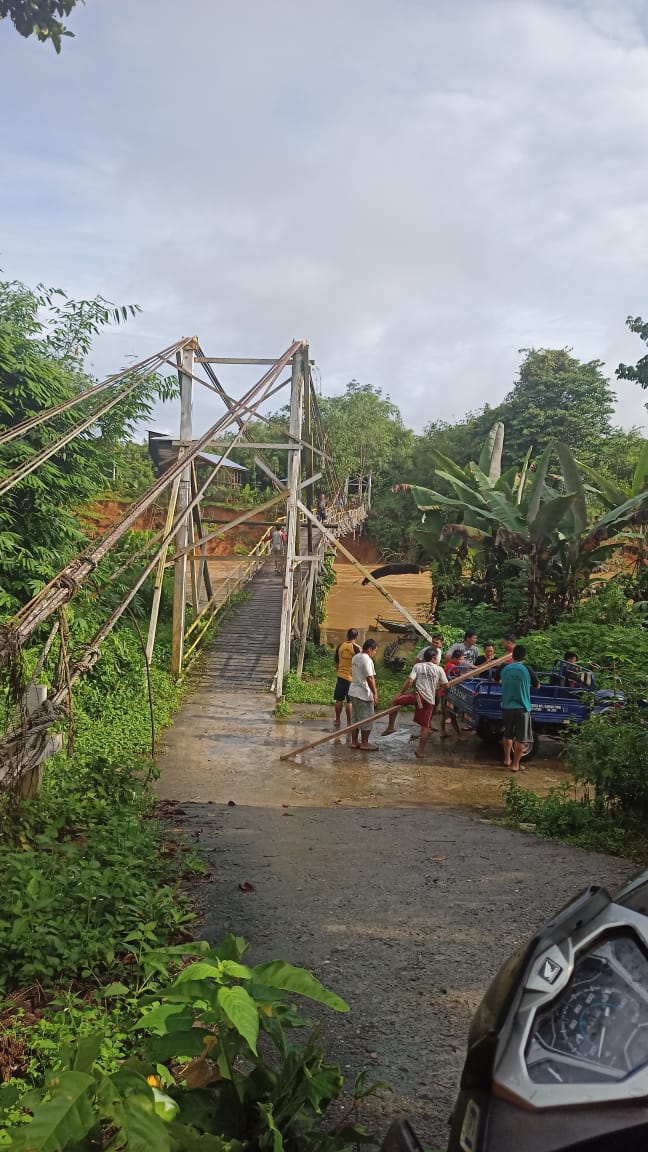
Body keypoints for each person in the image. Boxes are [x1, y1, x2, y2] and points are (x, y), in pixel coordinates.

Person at [381, 648, 448, 758]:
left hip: (416, 697)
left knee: (394, 702)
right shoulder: (439, 669)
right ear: (433, 658)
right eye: (436, 657)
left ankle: (390, 726)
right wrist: (436, 687)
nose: (437, 658)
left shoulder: (418, 666)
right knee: (425, 727)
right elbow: (446, 685)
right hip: (429, 700)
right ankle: (420, 751)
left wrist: (400, 693)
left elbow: (410, 681)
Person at [500, 644, 540, 773]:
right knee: (521, 737)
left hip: (507, 706)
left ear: (512, 655)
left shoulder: (504, 668)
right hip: (522, 707)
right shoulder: (527, 669)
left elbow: (495, 680)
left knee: (508, 734)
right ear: (524, 656)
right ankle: (515, 765)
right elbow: (537, 686)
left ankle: (507, 760)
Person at [348, 638, 379, 751]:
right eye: (375, 651)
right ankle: (365, 743)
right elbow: (370, 678)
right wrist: (375, 694)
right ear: (370, 649)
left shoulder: (356, 657)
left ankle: (354, 742)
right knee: (366, 719)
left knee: (355, 719)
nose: (375, 653)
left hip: (353, 691)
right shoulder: (366, 659)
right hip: (363, 693)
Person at [333, 628, 361, 734]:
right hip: (351, 678)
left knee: (339, 700)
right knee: (349, 701)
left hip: (340, 676)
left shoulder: (340, 646)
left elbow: (337, 661)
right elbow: (360, 664)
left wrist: (339, 671)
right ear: (356, 637)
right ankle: (349, 723)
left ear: (347, 635)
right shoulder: (357, 648)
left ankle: (337, 720)